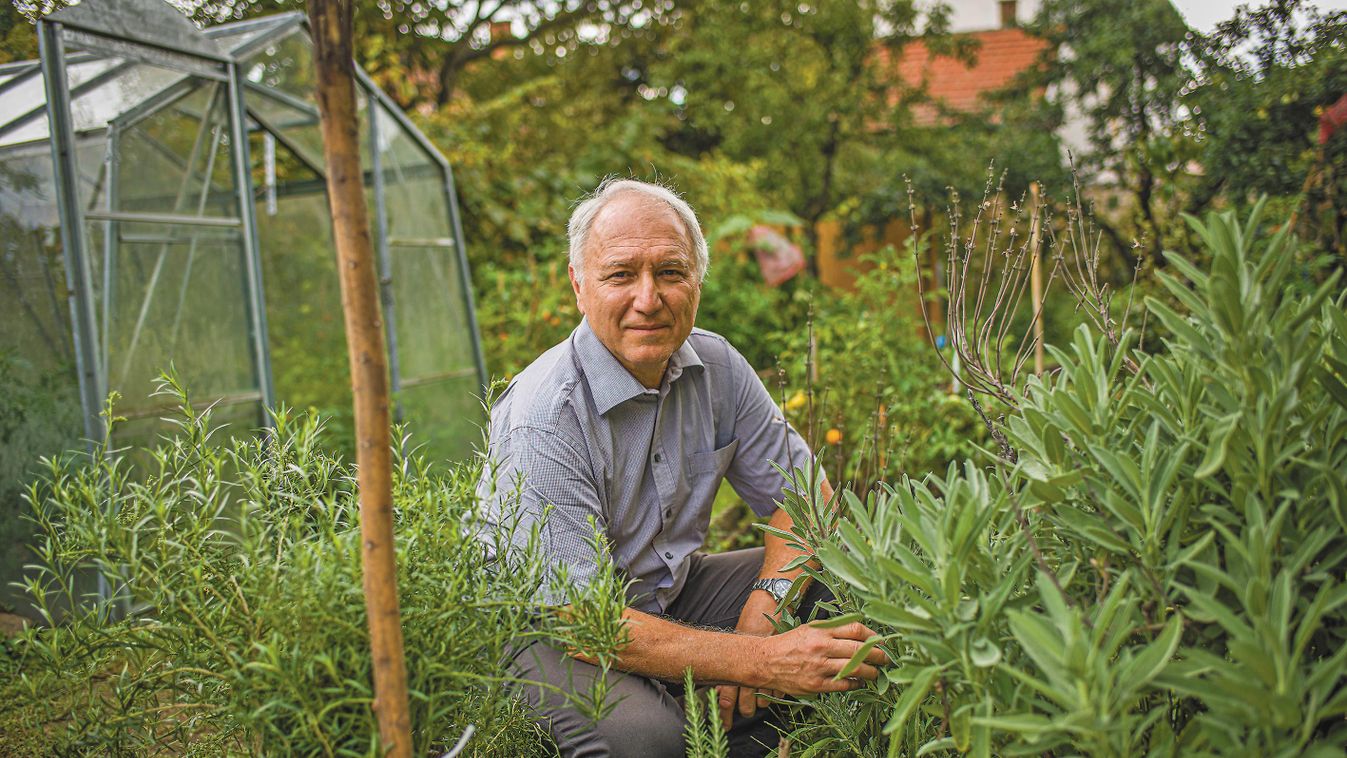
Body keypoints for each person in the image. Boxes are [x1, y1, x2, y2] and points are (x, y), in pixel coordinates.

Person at [477, 178, 887, 757]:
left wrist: (760, 624)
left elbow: (804, 501)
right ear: (578, 285)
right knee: (648, 740)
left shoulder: (717, 366)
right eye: (621, 275)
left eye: (670, 272)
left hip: (661, 594)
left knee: (842, 585)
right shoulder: (544, 418)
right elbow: (581, 621)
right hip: (546, 632)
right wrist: (762, 661)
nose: (649, 298)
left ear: (697, 279)